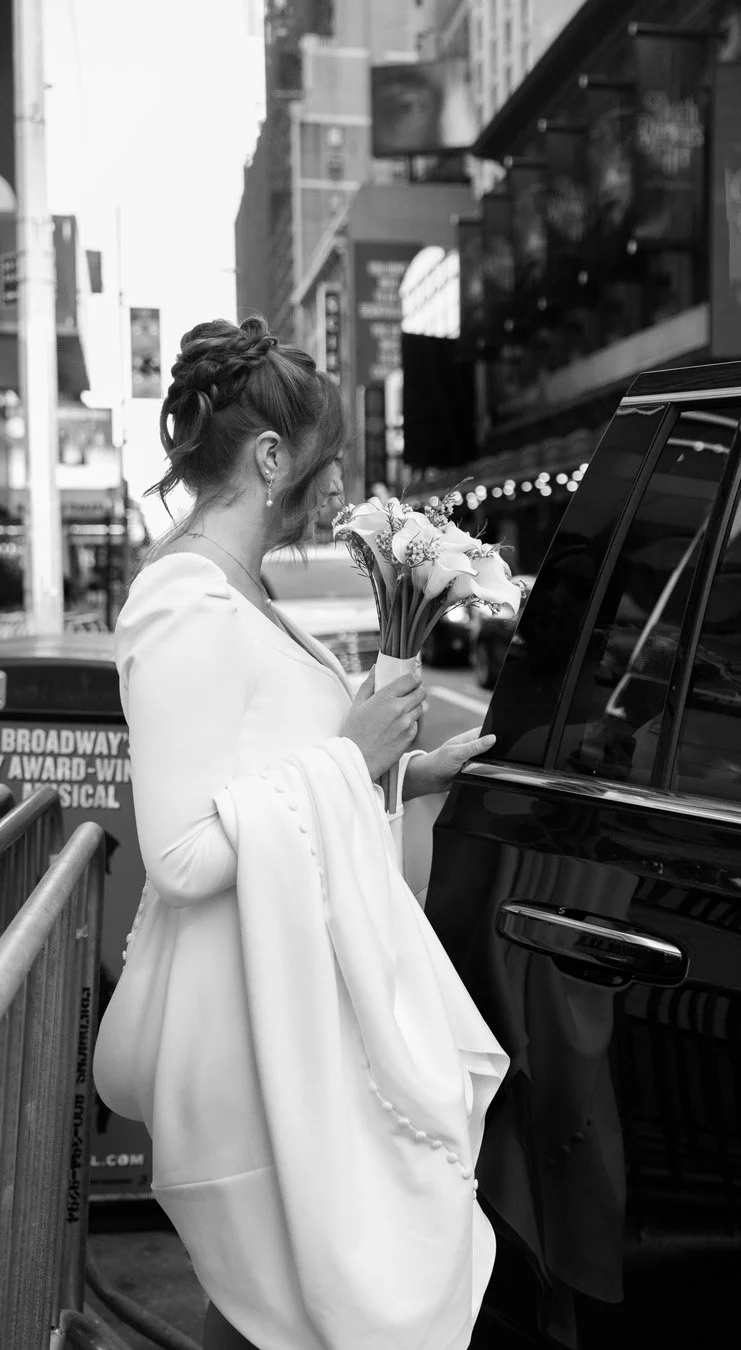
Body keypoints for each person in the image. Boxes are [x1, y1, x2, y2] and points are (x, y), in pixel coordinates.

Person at [93, 317, 509, 1350]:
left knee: (290, 1309)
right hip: (252, 1033)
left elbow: (266, 777)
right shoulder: (181, 602)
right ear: (269, 456)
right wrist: (353, 758)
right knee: (293, 1302)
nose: (337, 496)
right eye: (325, 469)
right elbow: (185, 852)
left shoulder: (238, 590)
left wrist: (404, 774)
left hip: (290, 1015)